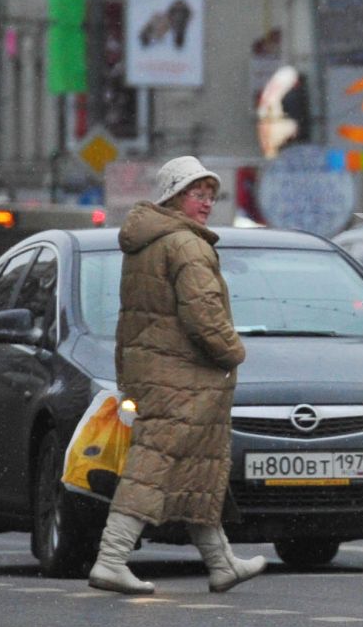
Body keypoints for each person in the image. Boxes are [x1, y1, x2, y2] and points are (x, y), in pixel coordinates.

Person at [87, 156, 266, 595]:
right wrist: (234, 351)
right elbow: (204, 315)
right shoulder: (186, 245)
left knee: (193, 469)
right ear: (173, 196)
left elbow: (137, 318)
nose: (206, 203)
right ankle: (111, 559)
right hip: (182, 376)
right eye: (196, 194)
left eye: (210, 195)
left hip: (157, 371)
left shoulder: (149, 241)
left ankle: (221, 563)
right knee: (152, 467)